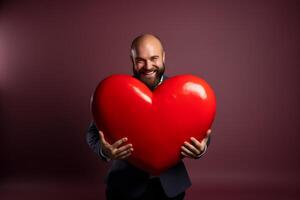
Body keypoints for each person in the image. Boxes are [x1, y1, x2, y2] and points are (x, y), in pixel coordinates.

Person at [86, 34, 212, 200]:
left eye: (154, 58)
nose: (148, 66)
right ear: (132, 60)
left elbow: (201, 130)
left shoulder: (185, 92)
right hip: (124, 187)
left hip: (171, 187)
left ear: (163, 57)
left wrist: (201, 149)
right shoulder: (116, 92)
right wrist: (105, 151)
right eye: (140, 60)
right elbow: (93, 134)